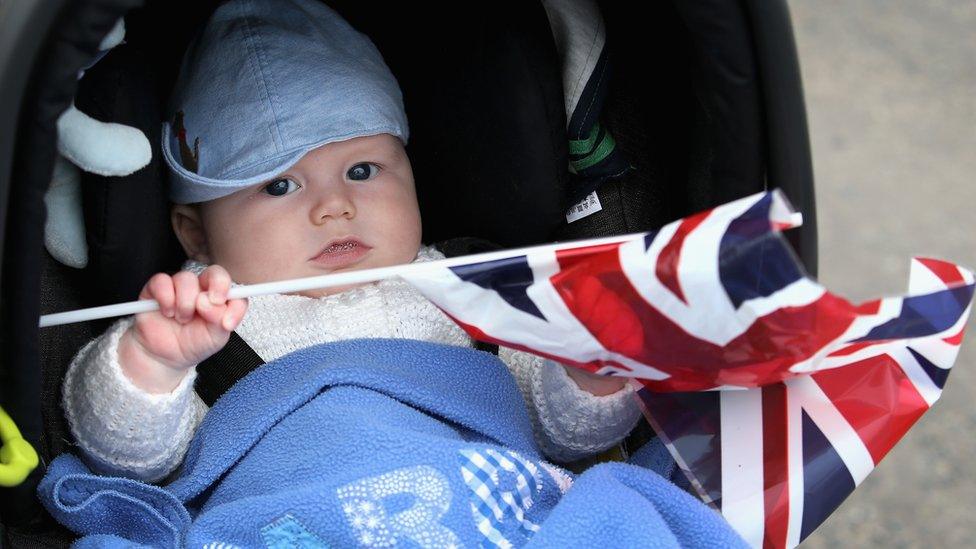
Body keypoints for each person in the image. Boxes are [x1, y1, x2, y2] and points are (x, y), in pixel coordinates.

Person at [62, 0, 641, 486]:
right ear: (196, 232)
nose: (334, 206)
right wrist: (153, 362)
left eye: (362, 171)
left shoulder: (472, 286)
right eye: (281, 185)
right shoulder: (198, 323)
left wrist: (593, 367)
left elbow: (562, 434)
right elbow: (127, 462)